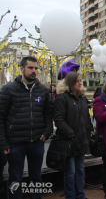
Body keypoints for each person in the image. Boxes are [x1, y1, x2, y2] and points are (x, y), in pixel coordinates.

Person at [0, 56, 52, 199]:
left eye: (36, 68)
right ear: (22, 69)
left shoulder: (42, 90)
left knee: (36, 176)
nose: (34, 71)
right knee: (15, 177)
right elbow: (1, 118)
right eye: (30, 68)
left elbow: (47, 114)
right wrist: (3, 142)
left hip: (36, 141)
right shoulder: (8, 90)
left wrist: (47, 132)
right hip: (15, 143)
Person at [54, 72, 93, 199]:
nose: (80, 83)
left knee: (79, 171)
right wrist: (71, 134)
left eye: (80, 80)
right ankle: (70, 196)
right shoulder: (62, 98)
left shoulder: (82, 98)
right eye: (77, 81)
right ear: (70, 83)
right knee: (70, 172)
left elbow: (86, 117)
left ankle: (80, 195)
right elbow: (59, 119)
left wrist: (88, 131)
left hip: (81, 141)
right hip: (68, 142)